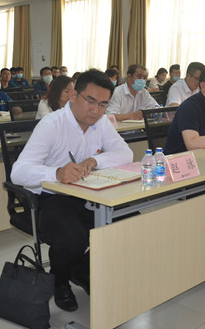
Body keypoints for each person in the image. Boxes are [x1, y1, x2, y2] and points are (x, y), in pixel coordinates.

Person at [11, 69, 133, 312]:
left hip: (90, 194)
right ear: (74, 96)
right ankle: (59, 280)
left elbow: (125, 153)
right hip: (52, 198)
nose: (96, 110)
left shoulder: (101, 123)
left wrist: (95, 161)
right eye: (91, 101)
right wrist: (55, 173)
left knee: (130, 222)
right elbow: (18, 172)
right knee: (73, 237)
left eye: (103, 104)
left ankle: (80, 269)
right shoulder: (51, 124)